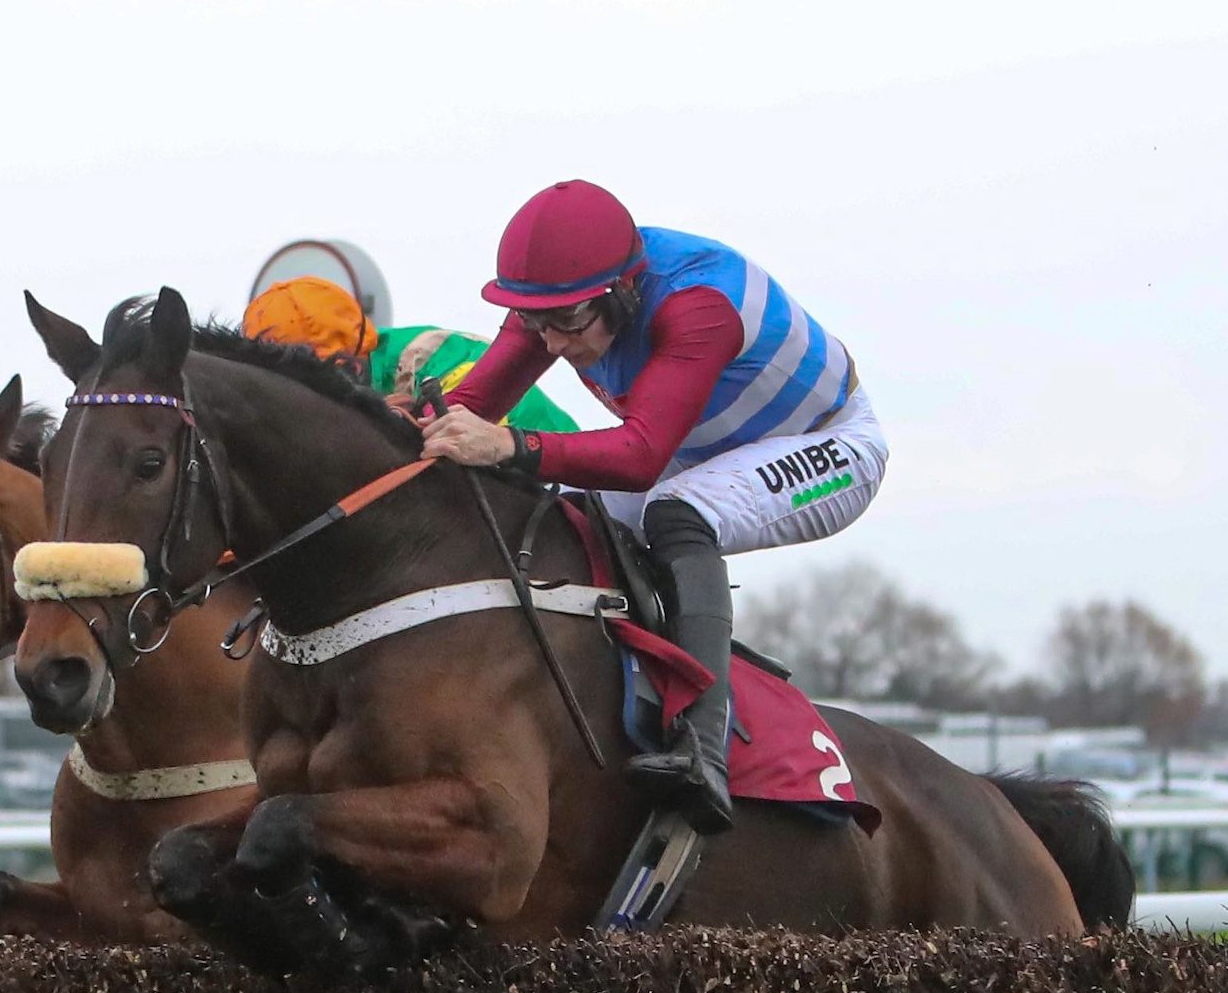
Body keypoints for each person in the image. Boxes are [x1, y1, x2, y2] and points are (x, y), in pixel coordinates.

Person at [420, 180, 890, 833]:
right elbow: (470, 402)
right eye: (534, 322)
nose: (549, 342)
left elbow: (639, 456)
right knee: (573, 526)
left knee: (677, 515)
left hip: (829, 445)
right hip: (695, 448)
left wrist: (507, 443)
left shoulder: (698, 304)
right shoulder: (558, 298)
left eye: (565, 324)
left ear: (624, 292)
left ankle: (703, 744)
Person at [241, 276, 577, 433]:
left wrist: (386, 425)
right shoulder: (364, 357)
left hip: (564, 490)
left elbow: (467, 436)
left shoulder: (433, 357)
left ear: (352, 361)